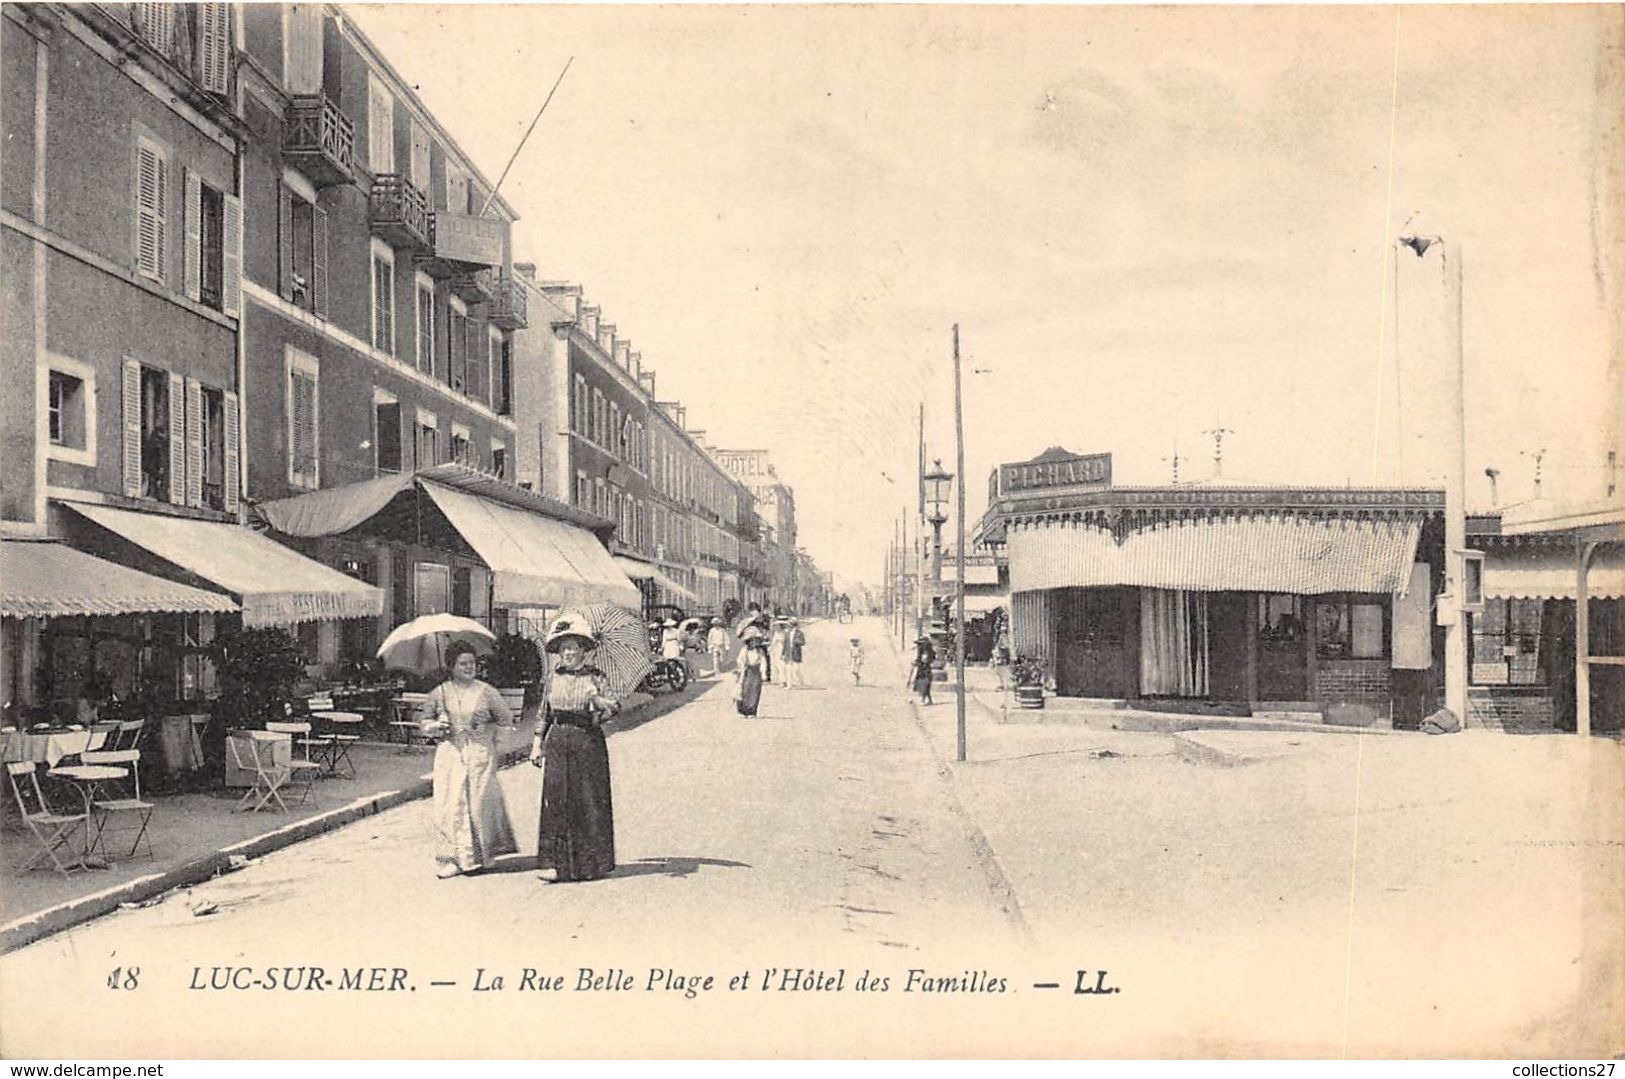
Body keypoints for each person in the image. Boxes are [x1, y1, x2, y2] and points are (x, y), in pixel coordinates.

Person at [530, 616, 620, 883]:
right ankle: (555, 865)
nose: (568, 653)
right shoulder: (552, 677)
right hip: (558, 740)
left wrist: (597, 700)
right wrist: (537, 743)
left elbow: (614, 709)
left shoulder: (597, 677)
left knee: (588, 800)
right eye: (563, 648)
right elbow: (544, 713)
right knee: (556, 800)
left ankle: (589, 865)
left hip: (587, 741)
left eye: (573, 647)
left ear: (583, 649)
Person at [420, 641, 518, 879]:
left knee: (478, 802)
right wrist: (435, 726)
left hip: (479, 754)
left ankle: (481, 856)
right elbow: (424, 723)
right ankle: (453, 859)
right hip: (450, 754)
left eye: (472, 663)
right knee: (450, 805)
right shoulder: (440, 693)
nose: (469, 667)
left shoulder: (486, 691)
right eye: (463, 664)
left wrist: (490, 739)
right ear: (451, 666)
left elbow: (506, 720)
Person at [734, 627, 769, 717]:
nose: (754, 643)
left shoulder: (760, 651)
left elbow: (763, 662)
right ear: (748, 641)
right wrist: (741, 668)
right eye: (752, 641)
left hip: (756, 672)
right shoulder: (744, 650)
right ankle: (743, 710)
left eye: (756, 641)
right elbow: (740, 660)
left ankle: (752, 711)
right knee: (745, 690)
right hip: (747, 671)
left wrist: (763, 673)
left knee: (755, 691)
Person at [909, 635, 936, 706]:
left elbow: (926, 660)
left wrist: (918, 663)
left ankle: (924, 700)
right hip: (921, 670)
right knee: (924, 686)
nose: (919, 646)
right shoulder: (922, 651)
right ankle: (928, 700)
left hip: (925, 670)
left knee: (925, 685)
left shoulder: (927, 652)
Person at [785, 618, 806, 688]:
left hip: (796, 651)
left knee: (796, 669)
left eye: (790, 625)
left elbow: (803, 642)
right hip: (789, 651)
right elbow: (785, 644)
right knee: (788, 669)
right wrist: (783, 654)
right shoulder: (787, 633)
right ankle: (789, 685)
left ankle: (801, 681)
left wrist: (795, 641)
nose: (788, 626)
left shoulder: (800, 633)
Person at [770, 619, 791, 688]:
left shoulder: (785, 633)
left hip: (782, 649)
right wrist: (770, 649)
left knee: (782, 666)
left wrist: (785, 652)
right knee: (777, 666)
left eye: (777, 626)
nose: (776, 627)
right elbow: (773, 642)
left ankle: (784, 681)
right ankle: (780, 680)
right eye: (776, 626)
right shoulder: (776, 633)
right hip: (776, 650)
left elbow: (787, 643)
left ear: (781, 626)